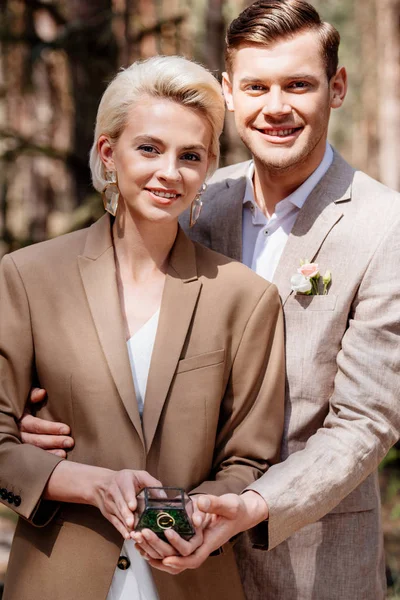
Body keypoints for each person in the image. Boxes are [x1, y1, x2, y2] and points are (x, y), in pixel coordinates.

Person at [19, 1, 400, 598]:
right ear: (230, 91)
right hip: (162, 558)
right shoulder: (193, 195)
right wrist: (34, 418)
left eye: (298, 84)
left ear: (337, 87)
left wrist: (251, 504)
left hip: (306, 562)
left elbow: (365, 421)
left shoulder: (385, 227)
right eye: (256, 86)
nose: (276, 106)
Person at [0, 55, 286, 600]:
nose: (169, 172)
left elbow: (248, 459)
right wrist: (92, 484)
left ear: (207, 168)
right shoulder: (25, 276)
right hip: (56, 580)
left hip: (191, 578)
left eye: (191, 156)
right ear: (109, 152)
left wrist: (200, 517)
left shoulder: (246, 298)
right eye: (149, 148)